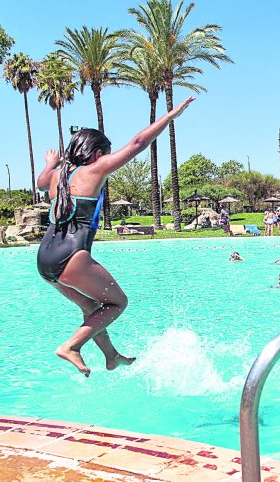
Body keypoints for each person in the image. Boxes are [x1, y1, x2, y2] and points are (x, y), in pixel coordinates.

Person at [35, 96, 193, 375]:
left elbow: (40, 183)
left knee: (92, 307)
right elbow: (138, 143)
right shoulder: (94, 170)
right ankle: (71, 346)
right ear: (97, 153)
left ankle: (111, 356)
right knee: (118, 303)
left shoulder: (56, 176)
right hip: (71, 255)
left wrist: (51, 163)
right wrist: (171, 116)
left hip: (45, 259)